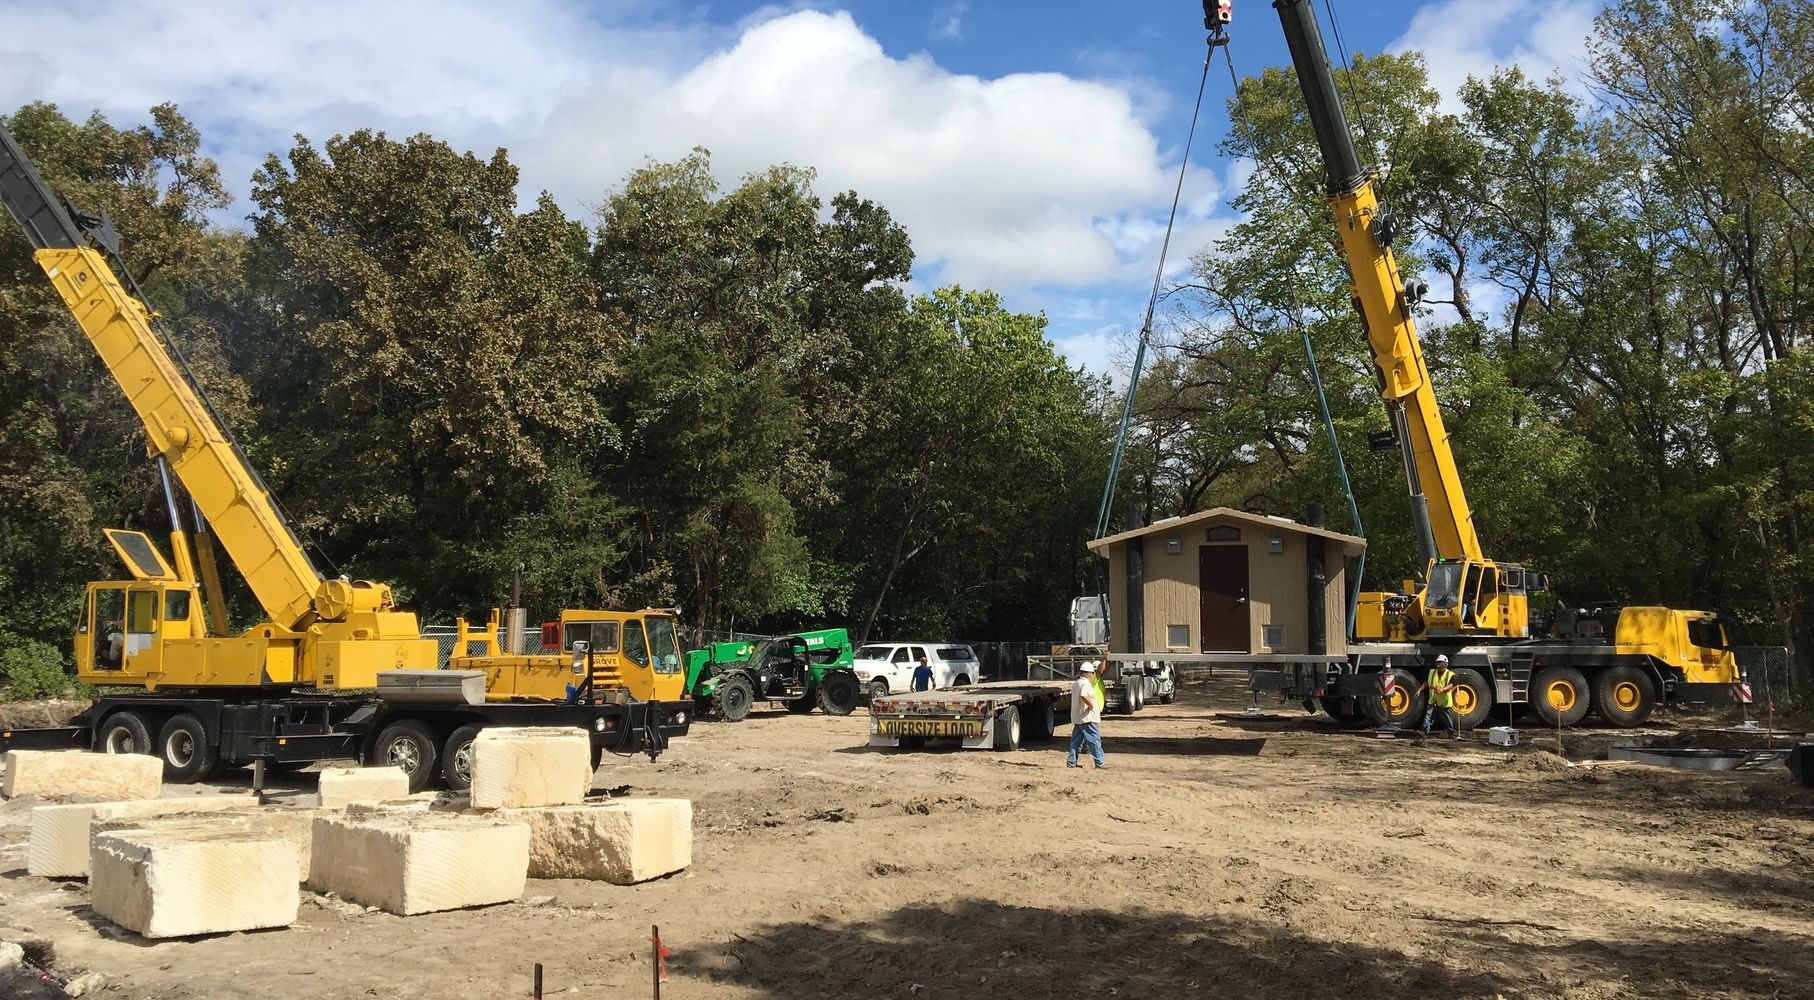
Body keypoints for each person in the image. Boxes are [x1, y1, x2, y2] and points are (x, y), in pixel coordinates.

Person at [1067, 661, 1106, 768]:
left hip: (1079, 717)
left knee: (1075, 742)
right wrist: (1091, 705)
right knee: (1094, 740)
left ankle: (1072, 762)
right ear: (1089, 674)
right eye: (1092, 673)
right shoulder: (1085, 684)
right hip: (1087, 718)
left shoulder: (1076, 683)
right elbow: (1084, 695)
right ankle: (1100, 762)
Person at [1420, 654, 1460, 739]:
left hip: (1443, 701)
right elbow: (1426, 682)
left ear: (1445, 664)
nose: (1438, 664)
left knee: (1446, 718)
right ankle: (1424, 732)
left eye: (1440, 662)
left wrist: (1442, 689)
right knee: (1429, 716)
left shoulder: (1450, 674)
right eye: (1437, 662)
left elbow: (1451, 685)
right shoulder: (1432, 672)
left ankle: (1451, 732)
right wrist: (1420, 689)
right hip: (1433, 699)